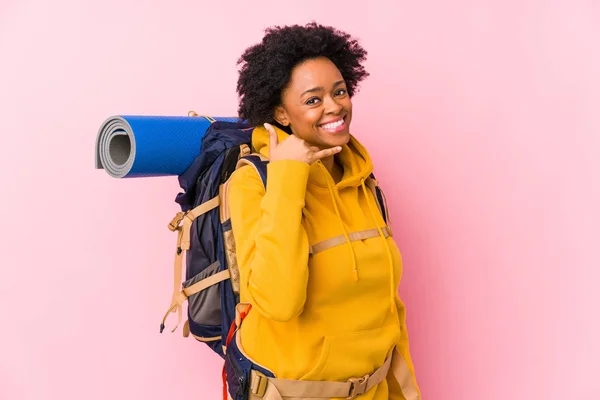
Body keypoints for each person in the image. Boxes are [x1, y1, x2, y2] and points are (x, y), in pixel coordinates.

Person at [227, 22, 421, 400]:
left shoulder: (363, 180)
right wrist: (288, 175)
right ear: (282, 114)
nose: (335, 106)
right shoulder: (256, 183)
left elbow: (387, 308)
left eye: (340, 92)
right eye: (313, 100)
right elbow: (279, 302)